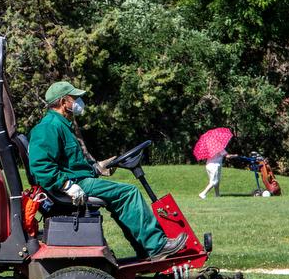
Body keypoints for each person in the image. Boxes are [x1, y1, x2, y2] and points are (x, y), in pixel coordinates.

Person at [28, 81, 187, 260]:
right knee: (128, 193)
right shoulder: (48, 127)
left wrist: (97, 168)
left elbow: (72, 165)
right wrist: (67, 185)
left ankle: (144, 249)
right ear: (64, 101)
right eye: (75, 98)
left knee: (120, 196)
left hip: (80, 180)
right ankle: (157, 245)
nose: (80, 102)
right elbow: (40, 167)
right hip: (72, 186)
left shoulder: (62, 126)